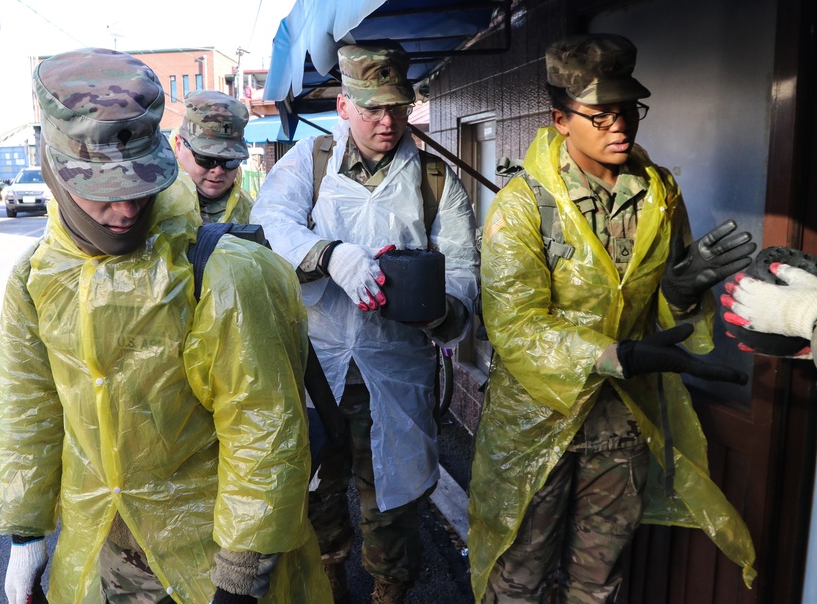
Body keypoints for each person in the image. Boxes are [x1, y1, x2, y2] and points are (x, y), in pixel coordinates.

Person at [0, 47, 330, 604]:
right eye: (100, 191)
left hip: (209, 554)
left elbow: (262, 428)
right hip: (103, 550)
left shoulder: (219, 269)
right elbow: (28, 404)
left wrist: (240, 576)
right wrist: (25, 536)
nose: (124, 210)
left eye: (139, 188)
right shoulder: (39, 275)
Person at [466, 33, 758, 603]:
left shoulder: (657, 193)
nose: (620, 126)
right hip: (536, 420)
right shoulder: (524, 204)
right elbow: (515, 324)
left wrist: (678, 292)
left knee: (597, 582)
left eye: (628, 112)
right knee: (519, 578)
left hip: (621, 422)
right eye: (600, 116)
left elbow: (669, 309)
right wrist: (614, 354)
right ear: (559, 119)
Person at [251, 42, 479, 603]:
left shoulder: (433, 179)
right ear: (345, 104)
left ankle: (389, 587)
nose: (387, 121)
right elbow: (269, 225)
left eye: (398, 108)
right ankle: (328, 574)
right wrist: (329, 255)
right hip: (316, 367)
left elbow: (465, 269)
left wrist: (440, 307)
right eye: (374, 108)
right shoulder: (310, 161)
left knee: (393, 502)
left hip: (396, 371)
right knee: (315, 490)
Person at [174, 90, 253, 224]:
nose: (218, 170)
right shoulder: (153, 205)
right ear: (179, 146)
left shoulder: (251, 213)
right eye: (206, 159)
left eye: (230, 161)